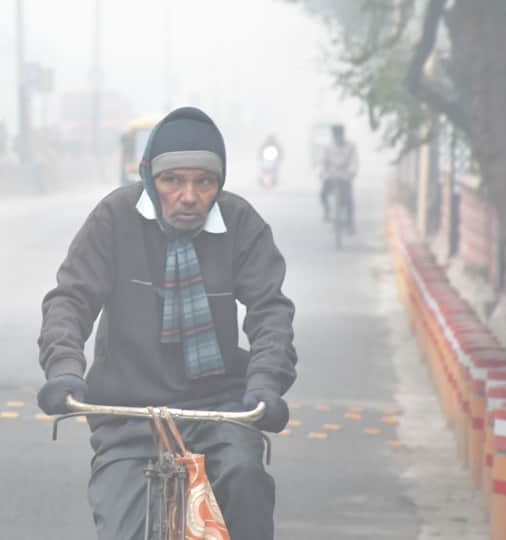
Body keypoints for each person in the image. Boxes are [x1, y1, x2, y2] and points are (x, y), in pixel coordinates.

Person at [37, 107, 297, 540]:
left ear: (220, 184)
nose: (189, 195)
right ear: (149, 178)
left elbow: (270, 311)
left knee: (245, 479)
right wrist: (64, 368)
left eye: (204, 182)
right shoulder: (114, 218)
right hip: (127, 414)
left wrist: (266, 383)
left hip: (220, 411)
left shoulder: (242, 225)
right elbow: (70, 300)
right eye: (173, 180)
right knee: (122, 526)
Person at [320, 124, 359, 232]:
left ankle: (350, 223)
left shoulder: (351, 146)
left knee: (349, 201)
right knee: (323, 194)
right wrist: (323, 172)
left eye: (340, 135)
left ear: (343, 135)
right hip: (331, 176)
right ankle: (327, 210)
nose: (338, 138)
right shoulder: (328, 147)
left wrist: (352, 172)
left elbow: (354, 161)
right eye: (336, 135)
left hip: (345, 176)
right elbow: (324, 162)